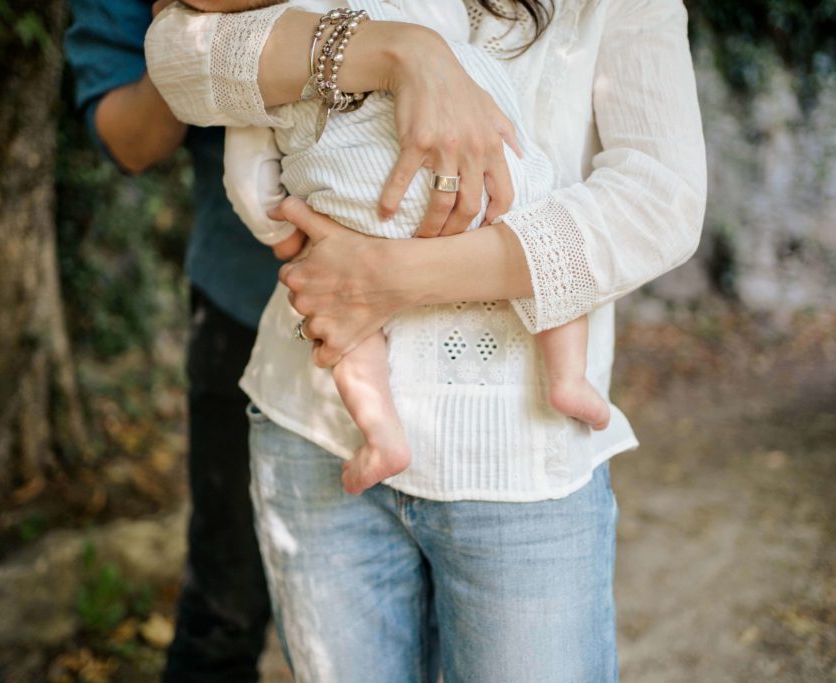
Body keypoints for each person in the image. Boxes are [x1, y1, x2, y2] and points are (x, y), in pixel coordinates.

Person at [147, 0, 706, 679]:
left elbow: (660, 200)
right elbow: (179, 60)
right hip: (318, 426)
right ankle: (435, 410)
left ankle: (566, 376)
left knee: (544, 240)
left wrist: (388, 277)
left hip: (523, 450)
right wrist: (398, 51)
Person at [218, 0, 610, 495]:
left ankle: (382, 434)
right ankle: (568, 378)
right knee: (545, 246)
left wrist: (279, 233)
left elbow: (247, 175)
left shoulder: (275, 33)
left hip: (363, 203)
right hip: (485, 168)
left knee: (349, 323)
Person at [65, 2, 277, 680]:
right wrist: (194, 41)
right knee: (227, 607)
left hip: (441, 306)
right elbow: (126, 137)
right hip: (248, 302)